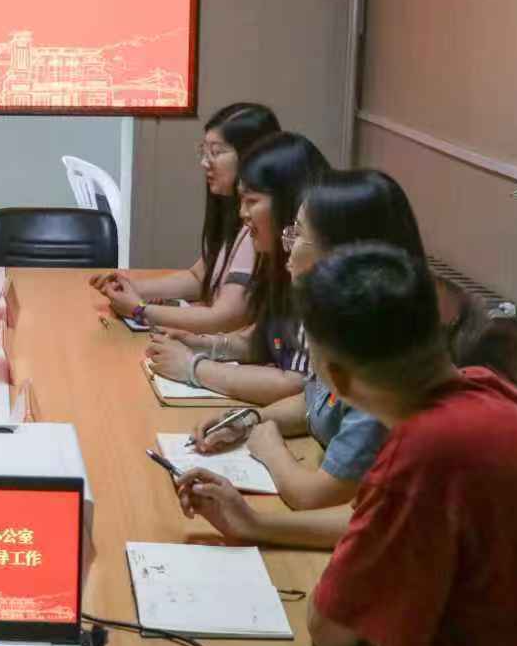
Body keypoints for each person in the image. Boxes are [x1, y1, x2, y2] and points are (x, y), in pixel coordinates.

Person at [278, 244, 517, 646]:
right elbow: (377, 528)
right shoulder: (482, 384)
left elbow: (329, 631)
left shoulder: (426, 447)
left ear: (336, 379)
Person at [177, 170, 424, 543]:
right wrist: (250, 420)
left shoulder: (384, 359)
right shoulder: (357, 326)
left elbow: (319, 498)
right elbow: (314, 401)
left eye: (298, 235)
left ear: (342, 252)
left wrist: (270, 450)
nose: (287, 250)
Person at [144, 132, 328, 404]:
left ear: (287, 203)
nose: (242, 213)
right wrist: (204, 345)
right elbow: (264, 340)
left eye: (251, 201)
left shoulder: (315, 274)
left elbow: (298, 384)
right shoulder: (278, 259)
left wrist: (193, 368)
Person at [92, 103, 279, 333]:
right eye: (204, 151)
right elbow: (199, 278)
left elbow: (224, 318)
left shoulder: (258, 228)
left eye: (216, 152)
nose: (205, 162)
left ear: (253, 156)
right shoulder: (232, 214)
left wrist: (139, 309)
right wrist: (132, 288)